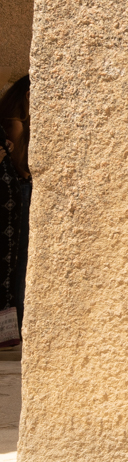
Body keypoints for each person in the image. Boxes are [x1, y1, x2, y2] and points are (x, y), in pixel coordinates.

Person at [0, 75, 30, 342]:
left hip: (16, 190)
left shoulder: (11, 119)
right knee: (18, 261)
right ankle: (14, 327)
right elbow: (20, 161)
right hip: (17, 190)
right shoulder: (14, 122)